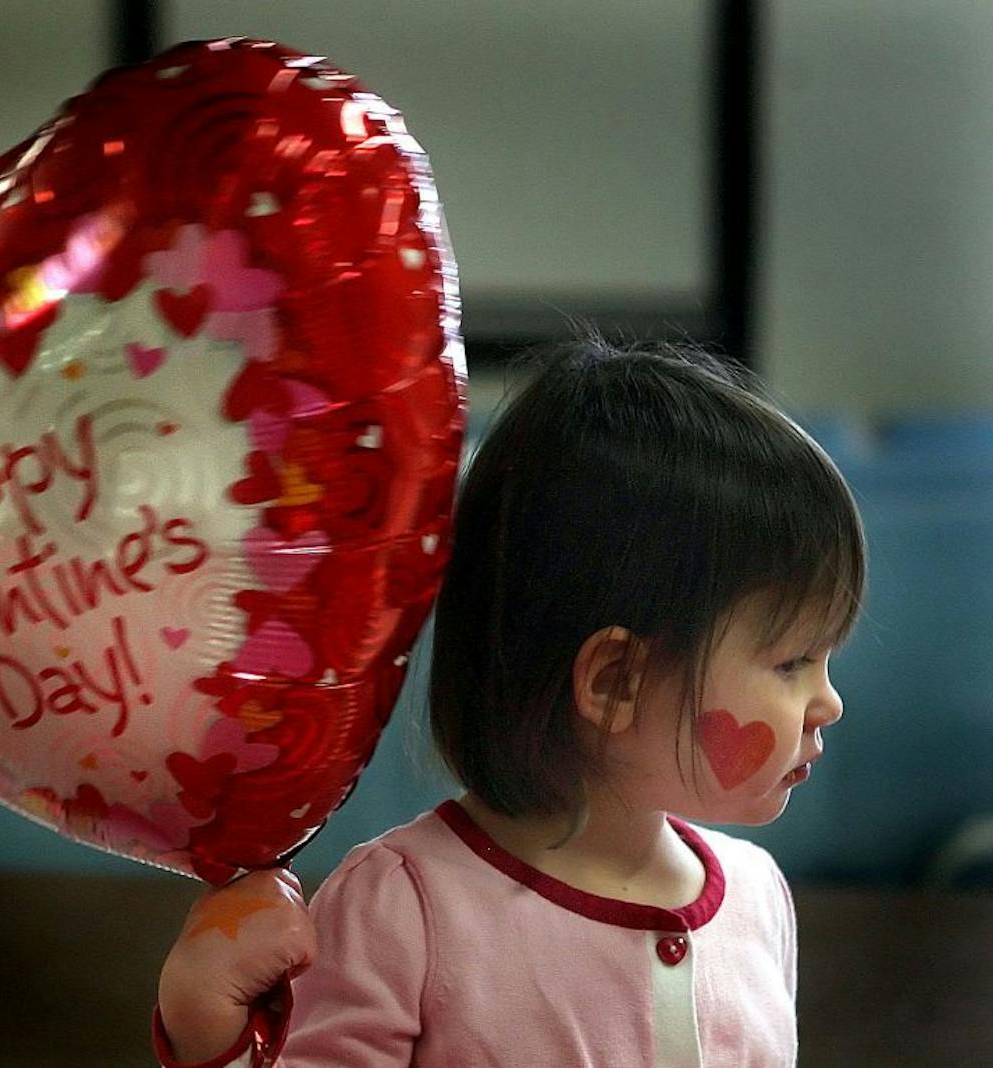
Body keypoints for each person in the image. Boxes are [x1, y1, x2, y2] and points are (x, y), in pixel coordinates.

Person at [152, 335, 866, 1067]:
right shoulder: (407, 908)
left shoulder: (758, 897)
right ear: (615, 680)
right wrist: (210, 1032)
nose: (828, 703)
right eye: (792, 662)